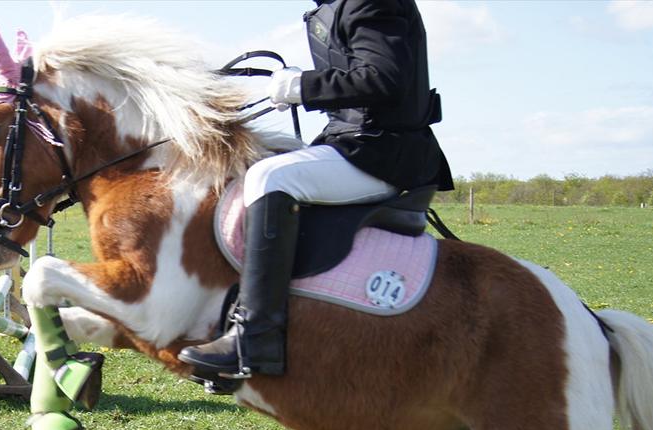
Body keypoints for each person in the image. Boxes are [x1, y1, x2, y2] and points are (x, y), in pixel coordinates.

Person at [179, 0, 452, 380]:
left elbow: (384, 78)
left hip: (385, 152)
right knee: (259, 167)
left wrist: (303, 86)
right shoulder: (332, 9)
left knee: (270, 178)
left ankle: (256, 339)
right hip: (355, 143)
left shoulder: (372, 2)